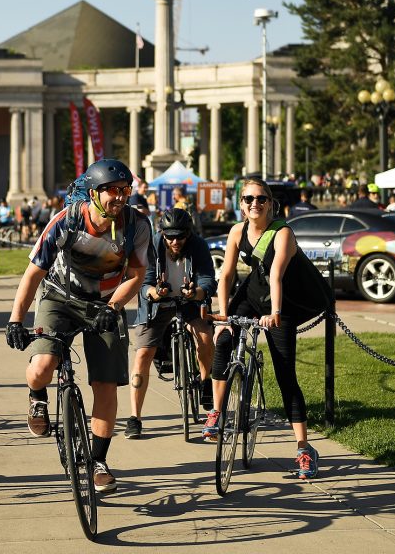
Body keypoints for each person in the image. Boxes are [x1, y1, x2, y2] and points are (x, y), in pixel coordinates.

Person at [5, 158, 150, 494]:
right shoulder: (66, 221)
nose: (120, 197)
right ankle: (37, 396)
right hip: (60, 298)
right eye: (113, 190)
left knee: (106, 385)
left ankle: (98, 461)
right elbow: (33, 274)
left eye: (125, 191)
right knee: (42, 365)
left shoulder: (136, 225)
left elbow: (137, 277)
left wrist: (113, 306)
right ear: (94, 193)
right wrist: (16, 319)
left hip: (104, 305)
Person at [208, 177, 334, 480]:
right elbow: (225, 275)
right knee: (224, 342)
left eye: (261, 199)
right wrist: (224, 315)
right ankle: (216, 412)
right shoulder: (237, 231)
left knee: (285, 375)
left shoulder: (282, 233)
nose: (255, 204)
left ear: (270, 203)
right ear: (241, 204)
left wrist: (275, 313)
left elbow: (276, 274)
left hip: (282, 302)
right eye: (249, 199)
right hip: (251, 295)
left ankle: (304, 449)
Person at [125, 208, 216, 439]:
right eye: (170, 236)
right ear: (162, 233)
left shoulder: (199, 246)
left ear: (189, 233)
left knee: (205, 337)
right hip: (157, 305)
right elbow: (142, 282)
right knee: (142, 355)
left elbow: (207, 279)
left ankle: (205, 382)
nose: (175, 241)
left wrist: (195, 292)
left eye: (180, 236)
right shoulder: (152, 245)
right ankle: (135, 418)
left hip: (189, 303)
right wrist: (155, 292)